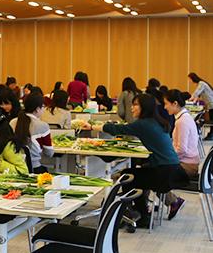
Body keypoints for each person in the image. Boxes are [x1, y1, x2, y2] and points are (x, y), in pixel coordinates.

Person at [84, 94, 179, 226]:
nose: (132, 108)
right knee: (132, 174)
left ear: (144, 107)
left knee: (127, 177)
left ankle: (142, 215)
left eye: (135, 105)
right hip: (171, 168)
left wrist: (93, 127)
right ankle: (137, 211)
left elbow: (120, 129)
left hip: (164, 172)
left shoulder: (144, 124)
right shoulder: (155, 121)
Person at [163, 89, 199, 219]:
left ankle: (173, 201)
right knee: (153, 168)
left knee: (155, 172)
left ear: (175, 103)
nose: (164, 107)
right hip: (188, 162)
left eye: (166, 103)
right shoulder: (184, 117)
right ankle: (171, 201)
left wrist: (166, 157)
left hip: (187, 165)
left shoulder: (181, 121)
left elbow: (182, 150)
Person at [11, 94, 53, 173]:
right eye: (43, 107)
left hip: (15, 169)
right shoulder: (43, 126)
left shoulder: (12, 122)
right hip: (35, 169)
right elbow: (49, 153)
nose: (44, 109)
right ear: (37, 109)